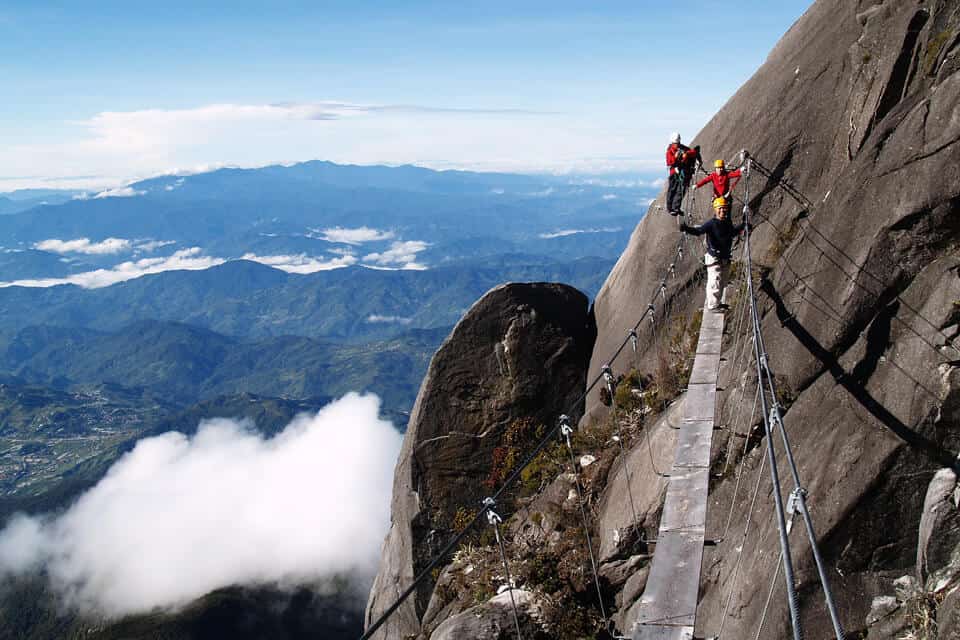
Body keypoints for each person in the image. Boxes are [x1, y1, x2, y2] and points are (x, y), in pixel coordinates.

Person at [679, 196, 748, 311]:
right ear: (715, 209)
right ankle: (712, 305)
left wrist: (744, 224)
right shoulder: (711, 224)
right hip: (714, 258)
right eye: (720, 208)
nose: (722, 211)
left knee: (722, 282)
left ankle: (717, 303)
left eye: (724, 208)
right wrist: (686, 228)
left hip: (724, 257)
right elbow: (698, 231)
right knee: (714, 282)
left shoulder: (727, 222)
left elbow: (732, 233)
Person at [665, 132, 700, 215]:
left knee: (681, 190)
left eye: (678, 143)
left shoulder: (682, 148)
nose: (677, 145)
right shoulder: (669, 152)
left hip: (682, 172)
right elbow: (670, 162)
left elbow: (692, 152)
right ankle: (670, 208)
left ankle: (676, 207)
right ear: (672, 143)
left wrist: (686, 154)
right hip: (674, 173)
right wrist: (676, 157)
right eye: (675, 143)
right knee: (672, 190)